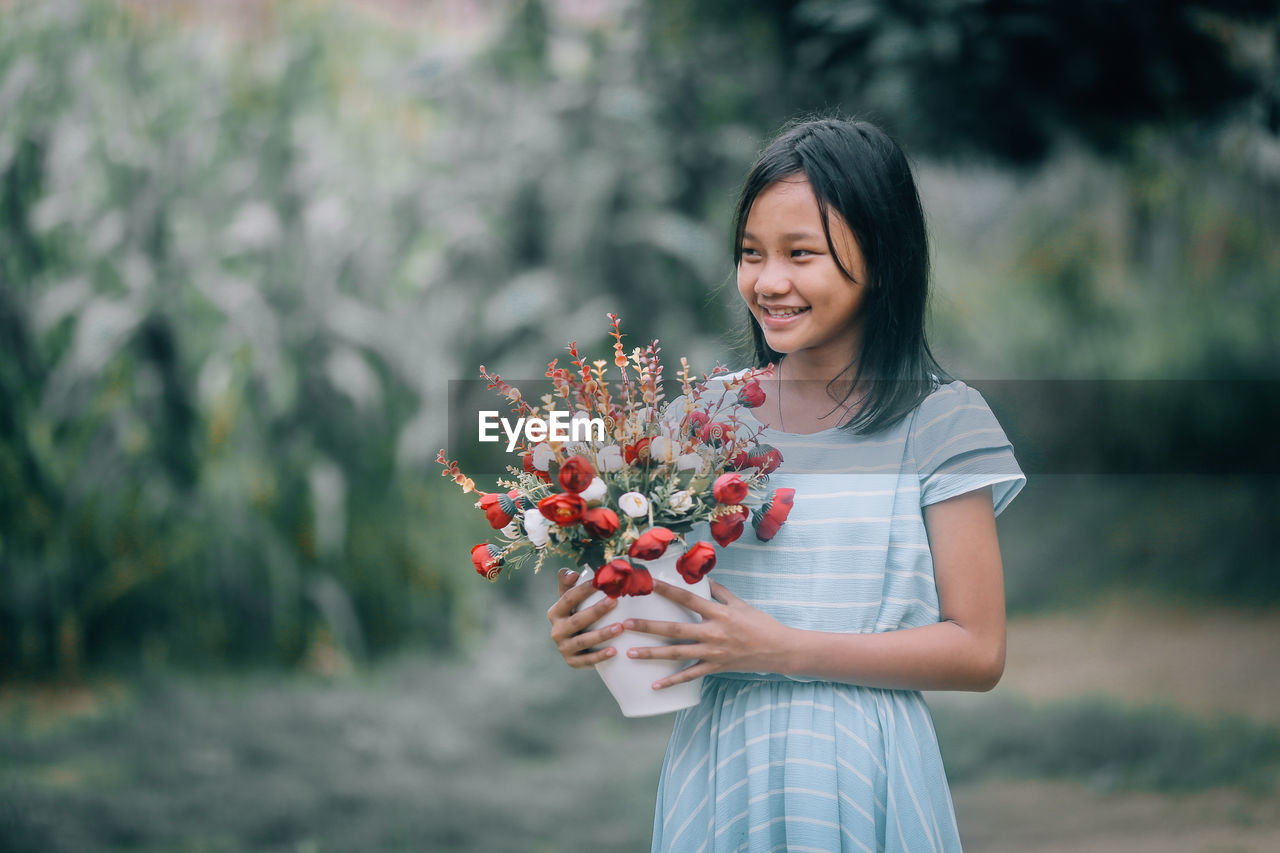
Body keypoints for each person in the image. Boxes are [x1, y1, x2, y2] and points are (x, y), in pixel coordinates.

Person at [547, 117, 1025, 852]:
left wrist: (779, 648)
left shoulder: (942, 422)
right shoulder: (701, 418)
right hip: (722, 766)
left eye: (801, 254)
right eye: (751, 254)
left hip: (863, 764)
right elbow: (660, 593)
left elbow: (978, 649)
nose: (768, 282)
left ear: (884, 257)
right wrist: (593, 626)